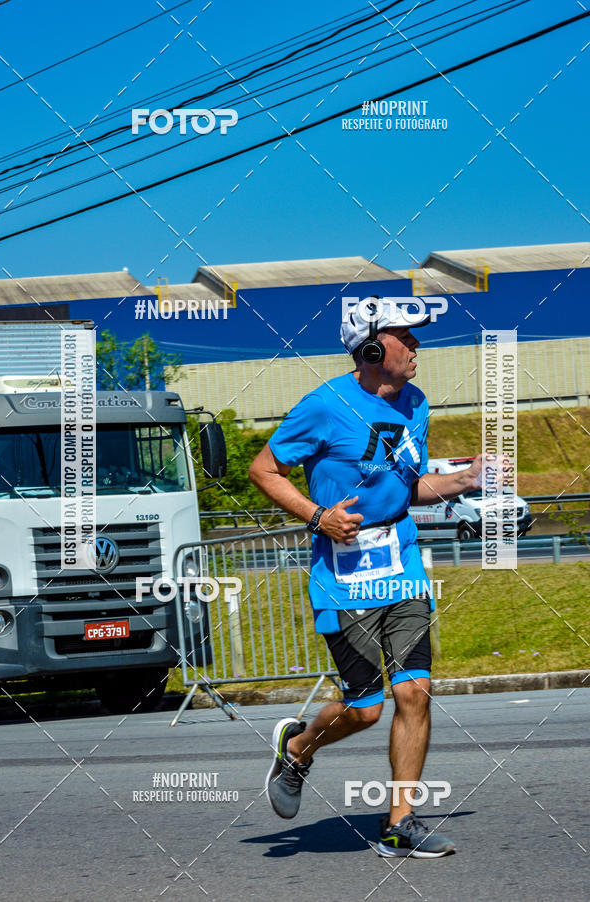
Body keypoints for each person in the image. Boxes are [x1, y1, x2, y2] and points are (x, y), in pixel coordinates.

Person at [248, 297, 482, 858]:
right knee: (366, 708)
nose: (417, 347)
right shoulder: (325, 405)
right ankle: (299, 747)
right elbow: (264, 469)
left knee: (415, 693)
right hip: (342, 574)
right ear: (374, 349)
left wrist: (465, 480)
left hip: (402, 566)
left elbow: (409, 488)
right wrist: (317, 516)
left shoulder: (417, 403)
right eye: (406, 337)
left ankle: (400, 824)